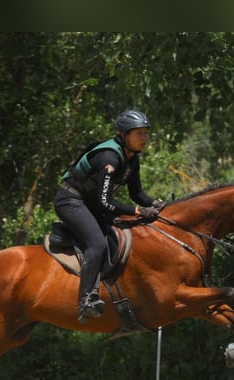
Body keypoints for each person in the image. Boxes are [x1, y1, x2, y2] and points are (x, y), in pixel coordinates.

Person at [54, 109, 164, 323]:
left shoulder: (132, 158)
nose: (144, 138)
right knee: (97, 243)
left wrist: (159, 205)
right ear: (124, 135)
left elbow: (137, 194)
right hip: (71, 201)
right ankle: (85, 301)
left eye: (145, 133)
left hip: (90, 204)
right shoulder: (109, 157)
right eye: (138, 133)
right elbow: (106, 202)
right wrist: (138, 211)